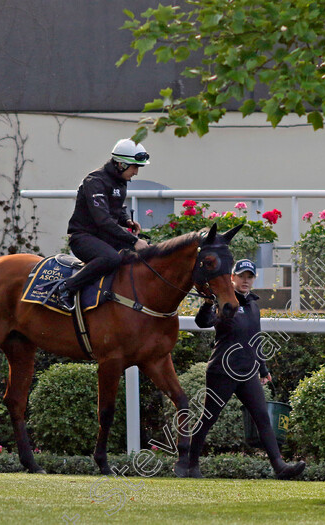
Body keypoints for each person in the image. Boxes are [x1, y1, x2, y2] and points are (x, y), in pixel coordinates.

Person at [177, 259, 306, 480]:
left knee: (262, 418)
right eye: (242, 276)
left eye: (250, 276)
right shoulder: (224, 301)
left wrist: (263, 369)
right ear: (232, 278)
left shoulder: (253, 305)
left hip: (248, 372)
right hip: (222, 371)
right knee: (208, 419)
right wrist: (208, 303)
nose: (245, 280)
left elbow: (255, 339)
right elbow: (202, 322)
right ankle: (190, 463)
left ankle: (280, 467)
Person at [55, 138, 151, 311]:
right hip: (83, 238)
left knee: (147, 252)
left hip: (104, 237)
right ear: (121, 164)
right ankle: (66, 288)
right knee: (111, 258)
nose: (136, 172)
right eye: (135, 166)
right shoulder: (95, 181)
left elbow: (116, 208)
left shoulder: (119, 181)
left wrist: (126, 220)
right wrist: (133, 240)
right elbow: (103, 220)